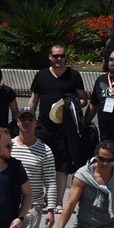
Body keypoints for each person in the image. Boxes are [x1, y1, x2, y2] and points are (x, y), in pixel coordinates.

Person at [28, 42, 86, 202]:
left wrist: (70, 105)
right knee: (40, 162)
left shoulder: (74, 75)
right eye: (56, 56)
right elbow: (33, 100)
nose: (59, 59)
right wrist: (29, 119)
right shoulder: (41, 75)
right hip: (43, 126)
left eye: (62, 56)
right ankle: (43, 197)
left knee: (63, 165)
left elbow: (83, 100)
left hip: (65, 127)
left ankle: (59, 201)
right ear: (50, 57)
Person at [11, 108, 56, 228]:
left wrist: (51, 209)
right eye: (23, 119)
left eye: (30, 118)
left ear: (36, 122)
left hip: (33, 207)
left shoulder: (45, 150)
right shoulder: (9, 146)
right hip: (9, 207)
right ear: (17, 122)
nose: (27, 122)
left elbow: (51, 181)